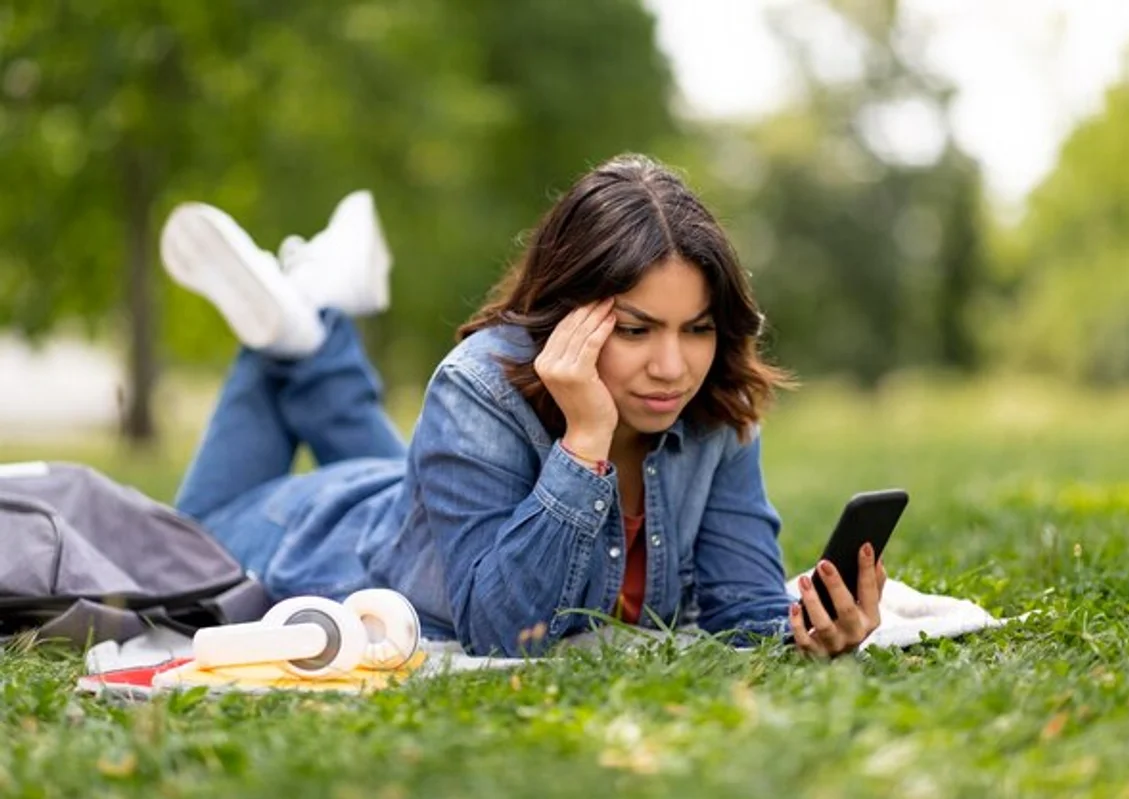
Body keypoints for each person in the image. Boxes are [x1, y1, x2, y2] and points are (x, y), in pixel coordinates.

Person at [162, 154, 886, 659]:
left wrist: (811, 630)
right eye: (635, 329)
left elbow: (741, 610)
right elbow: (506, 632)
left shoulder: (714, 404)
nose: (673, 366)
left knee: (409, 476)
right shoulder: (476, 387)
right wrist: (584, 441)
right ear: (571, 315)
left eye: (697, 328)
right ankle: (299, 322)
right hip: (309, 533)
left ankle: (310, 311)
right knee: (180, 540)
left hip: (416, 506)